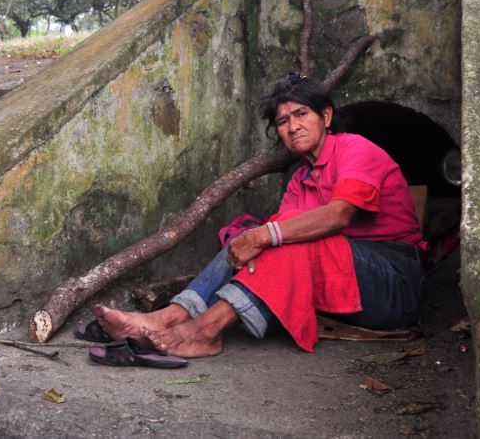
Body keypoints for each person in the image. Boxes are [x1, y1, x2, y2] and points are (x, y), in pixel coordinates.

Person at [94, 72, 427, 358]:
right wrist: (255, 238)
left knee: (280, 238)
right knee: (260, 238)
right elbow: (273, 238)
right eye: (283, 121)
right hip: (340, 282)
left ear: (325, 116)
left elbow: (338, 215)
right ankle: (167, 317)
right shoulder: (299, 180)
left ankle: (204, 331)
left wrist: (265, 235)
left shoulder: (356, 149)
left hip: (393, 283)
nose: (293, 126)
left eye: (301, 114)